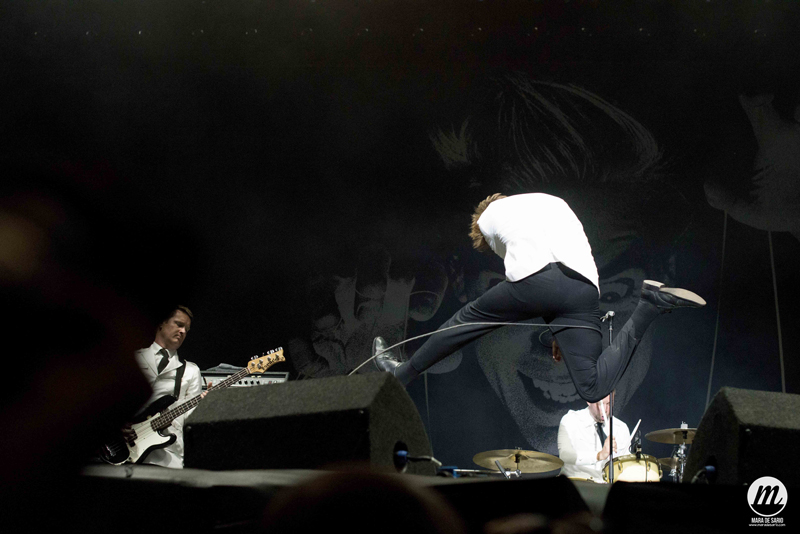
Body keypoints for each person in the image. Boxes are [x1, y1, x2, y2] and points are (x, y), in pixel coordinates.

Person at [374, 192, 706, 404]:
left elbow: (522, 265)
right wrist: (560, 328)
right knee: (593, 387)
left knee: (466, 322)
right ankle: (647, 305)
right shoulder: (553, 202)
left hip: (539, 280)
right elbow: (558, 269)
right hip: (583, 288)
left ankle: (402, 373)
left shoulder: (489, 216)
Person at [133, 305, 203, 468]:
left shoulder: (191, 371)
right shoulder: (134, 358)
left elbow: (191, 420)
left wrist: (206, 407)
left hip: (168, 456)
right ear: (162, 323)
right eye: (179, 324)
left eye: (186, 329)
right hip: (123, 451)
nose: (183, 331)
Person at [557, 392, 630, 482]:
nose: (605, 409)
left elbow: (626, 468)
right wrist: (599, 455)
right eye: (600, 404)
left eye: (609, 403)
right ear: (589, 400)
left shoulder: (621, 428)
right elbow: (565, 455)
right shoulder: (571, 420)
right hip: (576, 485)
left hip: (606, 488)